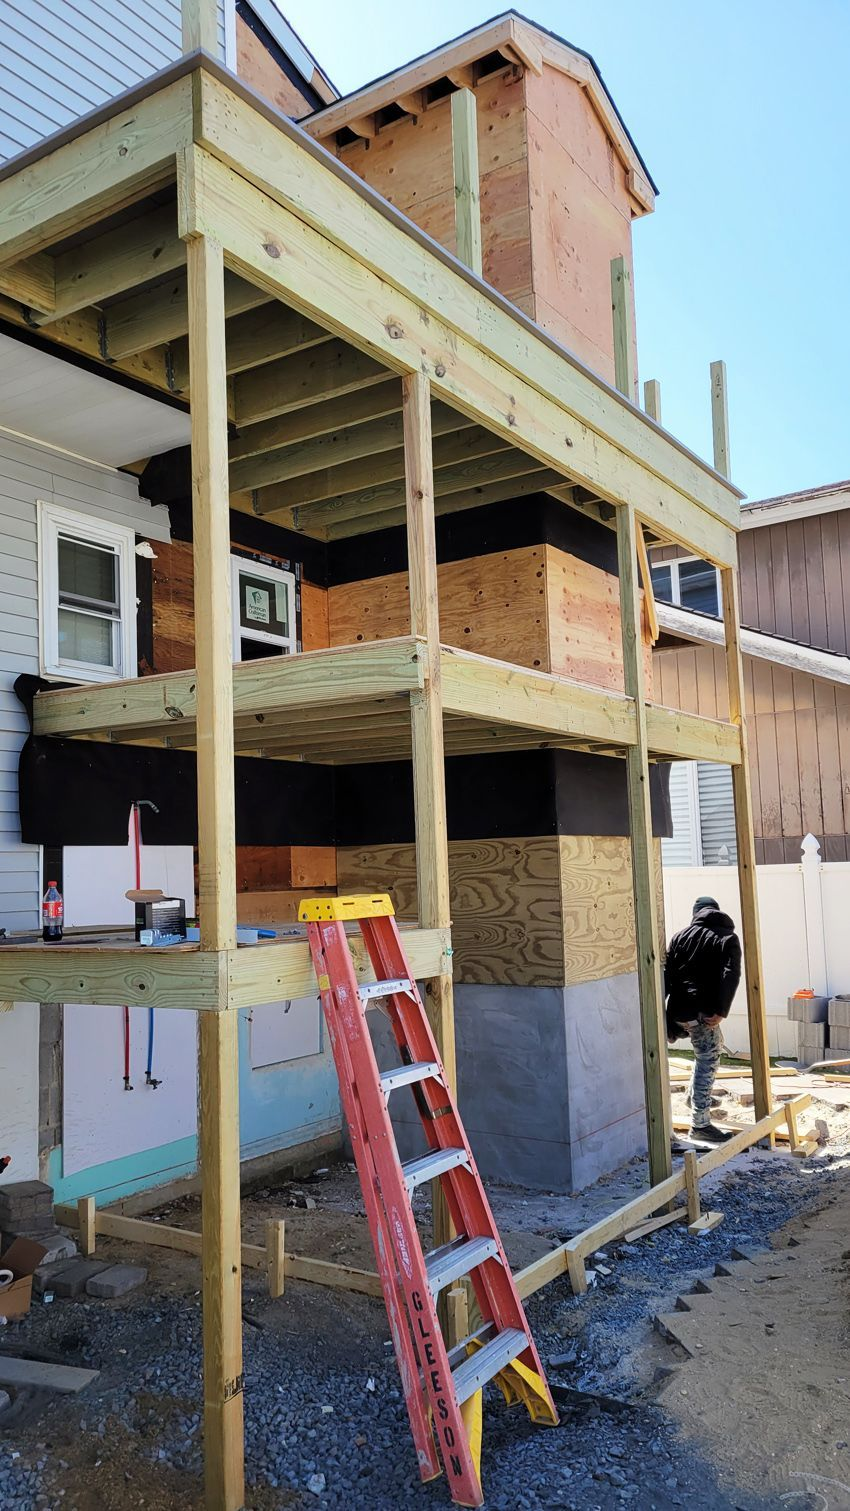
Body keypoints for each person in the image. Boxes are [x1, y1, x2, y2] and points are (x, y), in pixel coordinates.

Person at [664, 895, 742, 1145]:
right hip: (704, 1013)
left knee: (710, 1050)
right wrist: (721, 1010)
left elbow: (667, 977)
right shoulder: (727, 938)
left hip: (680, 1010)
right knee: (708, 1059)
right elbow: (731, 975)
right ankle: (700, 1123)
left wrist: (665, 1019)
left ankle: (694, 1097)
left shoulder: (679, 937)